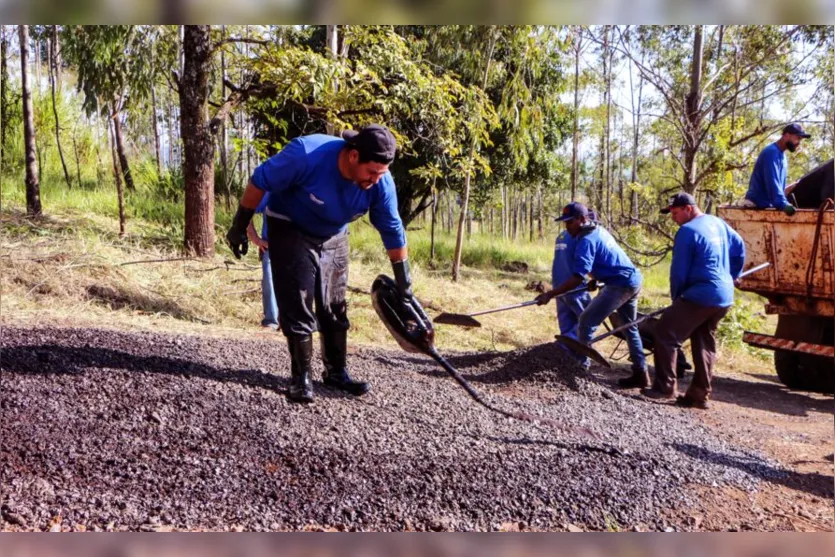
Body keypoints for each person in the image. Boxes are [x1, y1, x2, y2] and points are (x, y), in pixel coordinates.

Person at [225, 124, 413, 404]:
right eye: (371, 172)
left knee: (334, 304)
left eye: (381, 173)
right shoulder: (306, 154)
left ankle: (337, 373)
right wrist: (240, 226)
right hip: (289, 223)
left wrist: (404, 281)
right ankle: (301, 378)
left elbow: (392, 228)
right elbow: (259, 180)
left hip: (334, 232)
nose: (375, 179)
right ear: (352, 156)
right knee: (298, 298)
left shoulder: (380, 183)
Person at [647, 193, 745, 409]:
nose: (673, 218)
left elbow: (678, 272)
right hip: (724, 296)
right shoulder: (717, 223)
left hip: (701, 295)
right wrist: (733, 274)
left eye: (675, 213)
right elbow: (739, 246)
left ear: (688, 209)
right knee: (703, 340)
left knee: (665, 332)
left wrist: (677, 299)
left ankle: (664, 388)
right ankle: (699, 395)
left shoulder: (687, 231)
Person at [536, 202, 647, 386]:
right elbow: (606, 259)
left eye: (570, 222)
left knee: (586, 322)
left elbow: (578, 277)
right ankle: (641, 373)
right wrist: (596, 279)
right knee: (630, 327)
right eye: (565, 223)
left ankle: (580, 371)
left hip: (620, 284)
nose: (567, 227)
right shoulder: (598, 230)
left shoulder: (586, 239)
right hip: (632, 279)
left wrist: (551, 294)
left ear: (582, 219)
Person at [743, 123, 811, 215]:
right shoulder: (771, 153)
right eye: (797, 138)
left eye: (800, 140)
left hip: (767, 204)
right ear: (786, 136)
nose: (798, 143)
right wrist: (783, 204)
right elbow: (772, 182)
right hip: (756, 204)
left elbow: (778, 186)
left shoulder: (782, 156)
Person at [551, 227, 592, 341]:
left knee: (566, 322)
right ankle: (574, 350)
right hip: (574, 285)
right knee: (589, 320)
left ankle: (566, 355)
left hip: (559, 283)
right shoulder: (581, 236)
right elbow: (584, 263)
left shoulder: (562, 236)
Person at [246, 193, 280, 331]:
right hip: (270, 247)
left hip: (297, 249)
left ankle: (290, 322)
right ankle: (271, 321)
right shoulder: (270, 191)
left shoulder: (303, 187)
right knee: (269, 282)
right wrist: (255, 238)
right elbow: (247, 210)